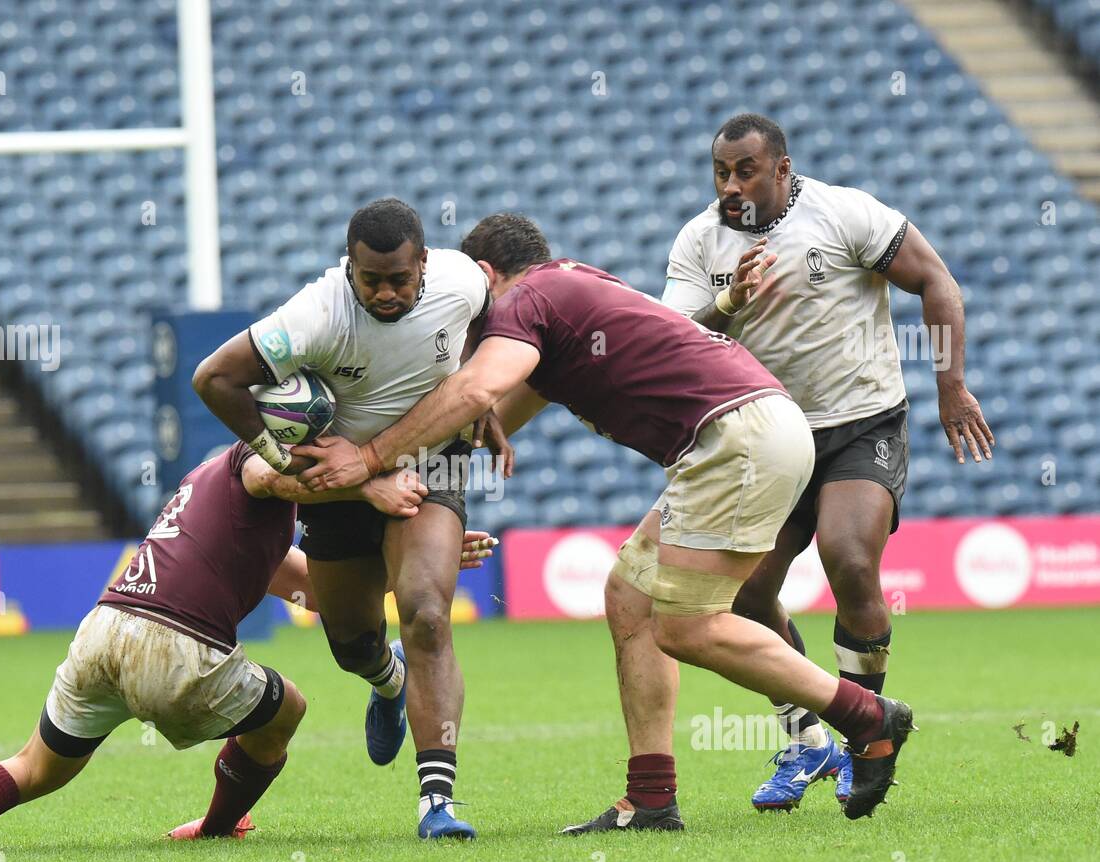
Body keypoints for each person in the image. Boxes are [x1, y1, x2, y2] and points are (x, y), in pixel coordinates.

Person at [295, 213, 917, 830]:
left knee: (686, 628)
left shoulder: (525, 301)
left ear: (486, 276)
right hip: (740, 432)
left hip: (736, 440)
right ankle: (651, 796)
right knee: (629, 597)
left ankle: (866, 717)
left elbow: (475, 392)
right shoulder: (567, 291)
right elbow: (493, 414)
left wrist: (370, 458)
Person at [0, 441, 495, 858]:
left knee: (32, 769)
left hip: (105, 630)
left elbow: (317, 595)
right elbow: (279, 474)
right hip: (173, 648)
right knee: (287, 709)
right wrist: (367, 483)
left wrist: (421, 559)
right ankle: (213, 829)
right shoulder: (253, 460)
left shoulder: (215, 495)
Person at [663, 113, 992, 810]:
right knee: (744, 597)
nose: (731, 185)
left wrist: (949, 383)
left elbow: (936, 280)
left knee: (848, 556)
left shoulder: (845, 213)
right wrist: (729, 301)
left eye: (745, 170)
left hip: (860, 423)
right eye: (720, 172)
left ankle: (865, 737)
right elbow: (675, 341)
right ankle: (808, 736)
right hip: (768, 434)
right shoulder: (700, 241)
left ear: (782, 168)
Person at [190, 198, 509, 839]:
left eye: (400, 278)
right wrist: (286, 460)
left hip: (430, 457)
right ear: (349, 267)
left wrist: (481, 396)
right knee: (351, 643)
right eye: (371, 280)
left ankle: (437, 802)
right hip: (337, 476)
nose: (387, 292)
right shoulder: (313, 317)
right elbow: (212, 378)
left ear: (424, 263)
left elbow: (489, 317)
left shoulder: (461, 279)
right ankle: (385, 679)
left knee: (425, 610)